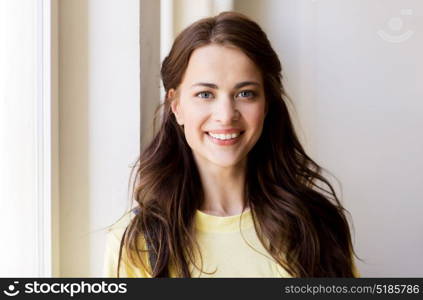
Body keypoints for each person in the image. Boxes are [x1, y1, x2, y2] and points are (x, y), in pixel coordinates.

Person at [103, 11, 360, 278]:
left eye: (245, 94)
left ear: (266, 104)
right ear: (176, 106)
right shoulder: (138, 242)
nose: (226, 114)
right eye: (205, 94)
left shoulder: (318, 224)